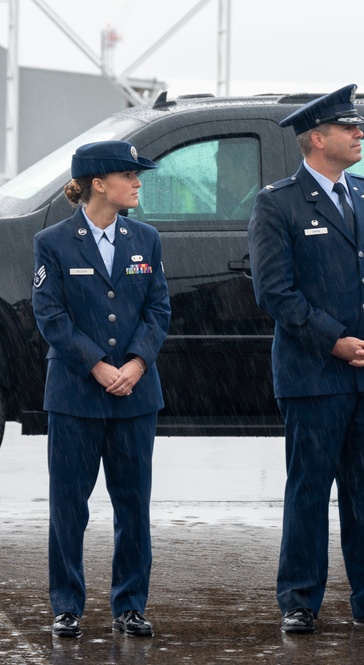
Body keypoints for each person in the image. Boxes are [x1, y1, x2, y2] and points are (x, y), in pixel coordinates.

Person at [247, 85, 364, 633]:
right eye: (349, 128)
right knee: (309, 491)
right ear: (317, 139)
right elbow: (274, 291)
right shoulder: (278, 202)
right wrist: (336, 339)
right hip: (315, 375)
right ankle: (299, 600)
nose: (359, 133)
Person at [32, 140, 170, 638]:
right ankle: (66, 605)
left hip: (136, 395)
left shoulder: (147, 239)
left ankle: (130, 604)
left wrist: (135, 362)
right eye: (128, 175)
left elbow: (159, 310)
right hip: (75, 396)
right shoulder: (53, 241)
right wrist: (96, 366)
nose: (137, 183)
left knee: (133, 505)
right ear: (98, 183)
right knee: (69, 505)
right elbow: (49, 315)